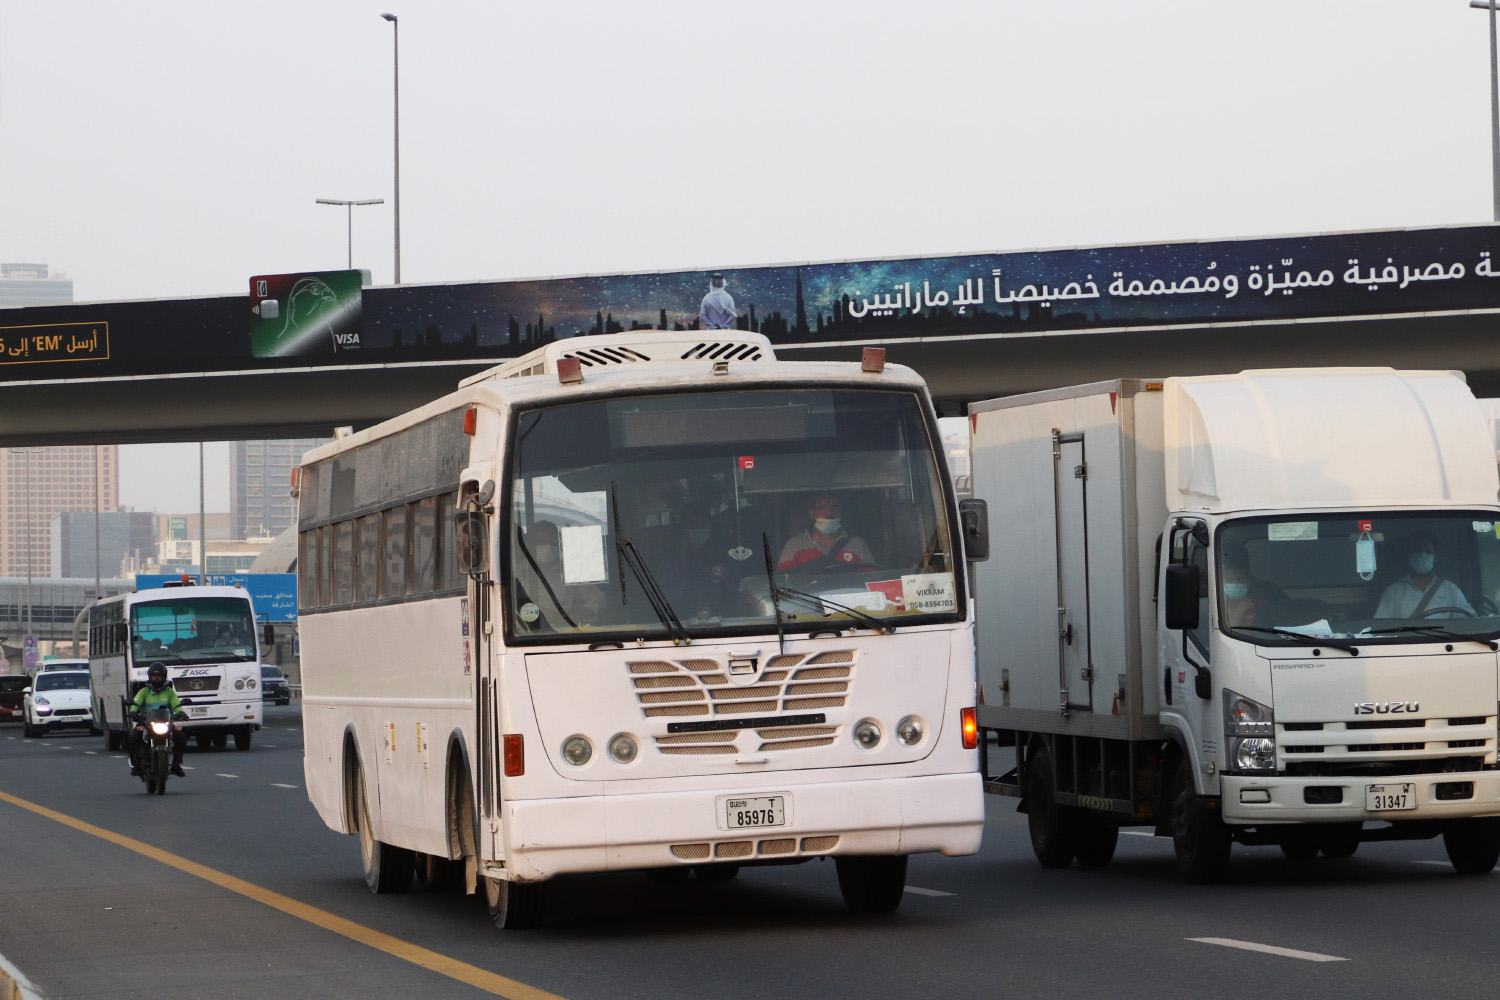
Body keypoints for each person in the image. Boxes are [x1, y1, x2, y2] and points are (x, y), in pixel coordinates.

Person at [514, 520, 605, 628]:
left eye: (552, 542)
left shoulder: (571, 571)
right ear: (531, 545)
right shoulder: (517, 573)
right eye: (542, 542)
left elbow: (597, 597)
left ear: (559, 544)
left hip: (567, 633)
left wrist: (572, 615)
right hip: (529, 634)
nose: (547, 547)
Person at [1375, 531, 1474, 619]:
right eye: (1417, 550)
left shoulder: (1450, 590)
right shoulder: (1392, 593)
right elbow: (1381, 628)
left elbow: (1469, 622)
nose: (1423, 554)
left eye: (1428, 551)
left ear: (1435, 558)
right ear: (1410, 556)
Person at [777, 495, 875, 572]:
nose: (829, 512)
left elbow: (872, 579)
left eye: (834, 507)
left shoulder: (856, 545)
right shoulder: (795, 545)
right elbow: (784, 582)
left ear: (841, 512)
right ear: (812, 514)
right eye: (822, 507)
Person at [129, 662, 187, 778]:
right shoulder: (144, 691)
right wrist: (133, 712)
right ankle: (136, 766)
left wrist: (181, 713)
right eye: (154, 676)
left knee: (180, 736)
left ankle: (176, 765)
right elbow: (136, 703)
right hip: (146, 722)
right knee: (134, 737)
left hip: (165, 722)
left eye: (159, 676)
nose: (156, 679)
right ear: (149, 677)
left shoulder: (169, 692)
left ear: (164, 677)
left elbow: (176, 704)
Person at [1219, 545, 1273, 628]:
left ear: (1249, 581)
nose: (1235, 584)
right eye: (1229, 580)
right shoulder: (1216, 605)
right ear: (1220, 581)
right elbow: (1227, 632)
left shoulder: (1260, 604)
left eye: (1240, 579)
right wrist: (1240, 610)